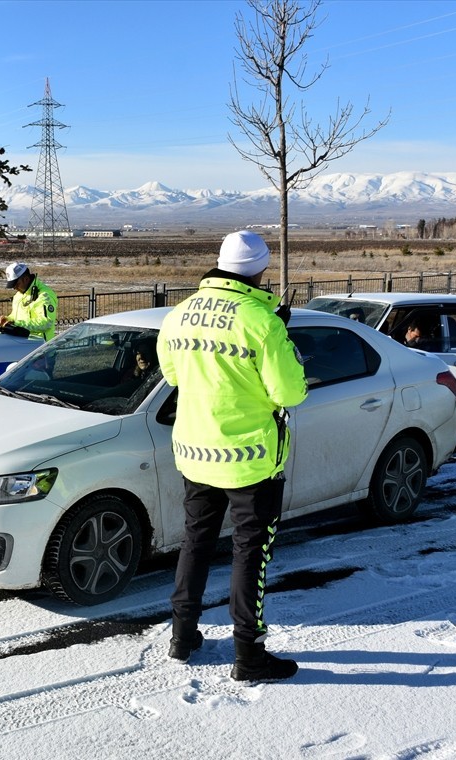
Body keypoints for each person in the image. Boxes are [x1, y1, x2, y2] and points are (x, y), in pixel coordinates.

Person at [156, 229, 308, 681]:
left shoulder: (180, 314)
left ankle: (182, 636)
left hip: (195, 452)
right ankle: (249, 654)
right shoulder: (263, 322)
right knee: (250, 553)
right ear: (261, 270)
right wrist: (284, 341)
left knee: (196, 542)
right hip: (250, 459)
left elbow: (173, 375)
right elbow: (291, 392)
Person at [0, 262, 58, 341]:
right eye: (12, 285)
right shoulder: (18, 295)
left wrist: (16, 324)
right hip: (24, 344)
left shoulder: (44, 295)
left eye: (16, 284)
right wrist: (7, 319)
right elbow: (16, 317)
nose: (14, 288)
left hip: (41, 347)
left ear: (26, 279)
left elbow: (46, 323)